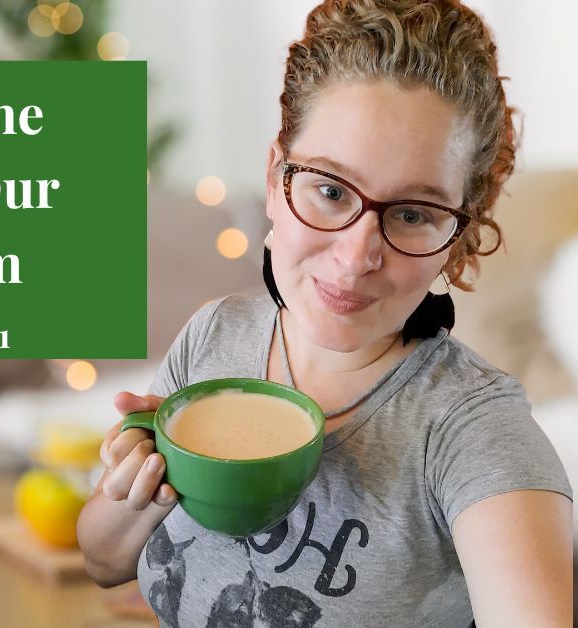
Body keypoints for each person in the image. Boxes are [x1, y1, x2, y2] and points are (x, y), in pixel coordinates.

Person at [76, 1, 574, 626]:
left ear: (457, 237)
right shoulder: (216, 335)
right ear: (275, 176)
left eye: (414, 213)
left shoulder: (473, 431)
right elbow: (103, 562)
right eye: (331, 190)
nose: (357, 254)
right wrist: (141, 491)